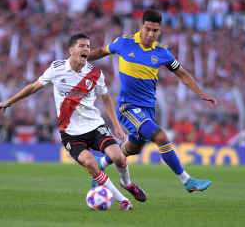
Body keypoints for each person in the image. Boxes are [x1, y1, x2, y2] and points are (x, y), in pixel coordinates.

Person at [0, 33, 147, 210]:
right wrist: (9, 101)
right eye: (82, 46)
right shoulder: (57, 68)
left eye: (88, 46)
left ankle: (127, 183)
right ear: (71, 50)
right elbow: (34, 87)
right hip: (71, 133)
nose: (86, 49)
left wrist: (116, 125)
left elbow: (105, 98)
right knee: (90, 164)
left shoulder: (96, 73)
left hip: (95, 126)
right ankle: (124, 201)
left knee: (118, 156)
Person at [88, 10, 218, 192]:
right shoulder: (124, 42)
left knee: (133, 149)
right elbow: (102, 51)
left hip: (148, 110)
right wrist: (83, 57)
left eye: (155, 31)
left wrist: (201, 93)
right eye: (147, 29)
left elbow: (181, 73)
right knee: (162, 137)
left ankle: (99, 165)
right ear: (141, 27)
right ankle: (187, 181)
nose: (150, 34)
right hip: (128, 107)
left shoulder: (163, 52)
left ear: (160, 31)